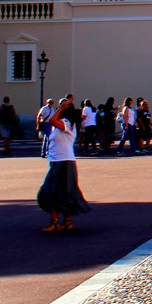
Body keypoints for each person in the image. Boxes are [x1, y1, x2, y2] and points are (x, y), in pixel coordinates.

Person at [37, 98, 91, 233]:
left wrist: (61, 108)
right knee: (57, 192)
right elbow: (51, 122)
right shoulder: (61, 126)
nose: (56, 110)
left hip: (64, 162)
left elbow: (51, 120)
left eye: (60, 109)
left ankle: (57, 222)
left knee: (55, 191)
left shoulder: (68, 124)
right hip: (56, 162)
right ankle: (65, 221)